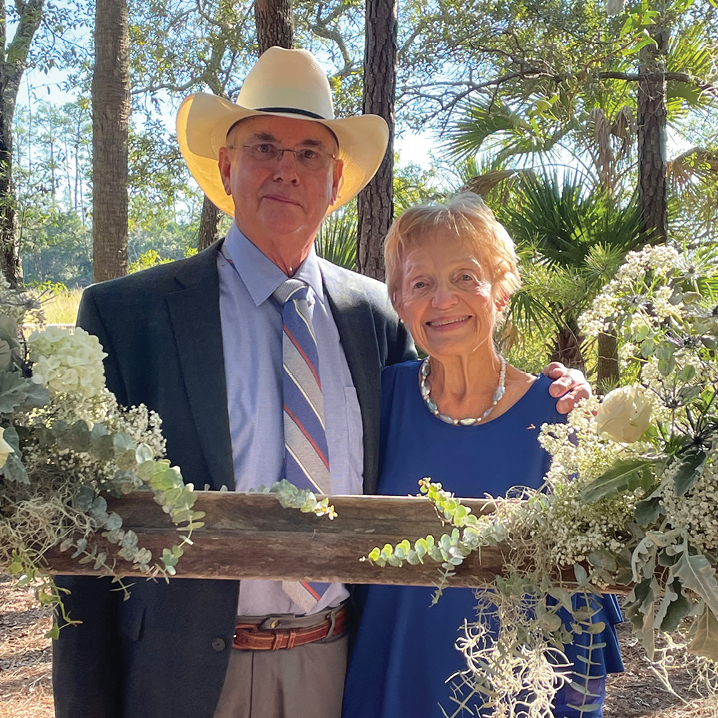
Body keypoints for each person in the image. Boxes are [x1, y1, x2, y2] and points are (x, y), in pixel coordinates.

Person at [52, 48, 589, 718]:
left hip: (337, 670)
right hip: (176, 676)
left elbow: (460, 406)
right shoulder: (127, 316)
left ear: (335, 181)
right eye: (265, 146)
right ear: (227, 167)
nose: (286, 169)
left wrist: (565, 393)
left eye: (309, 154)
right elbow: (81, 531)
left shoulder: (380, 318)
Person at [342, 194, 623, 718]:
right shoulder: (376, 401)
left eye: (466, 277)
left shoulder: (561, 415)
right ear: (399, 302)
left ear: (502, 291)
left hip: (513, 695)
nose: (443, 299)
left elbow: (588, 605)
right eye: (421, 283)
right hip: (387, 680)